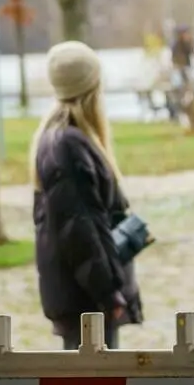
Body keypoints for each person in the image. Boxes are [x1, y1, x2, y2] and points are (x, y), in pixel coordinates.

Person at [30, 41, 143, 350]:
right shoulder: (68, 146)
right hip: (88, 302)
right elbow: (78, 228)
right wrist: (108, 292)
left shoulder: (61, 139)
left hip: (82, 296)